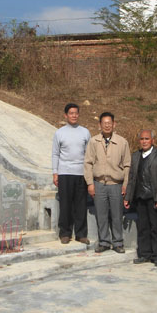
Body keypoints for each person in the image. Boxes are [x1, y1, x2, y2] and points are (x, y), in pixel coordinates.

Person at [84, 112, 131, 253]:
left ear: (114, 124)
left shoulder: (122, 142)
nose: (107, 125)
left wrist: (125, 185)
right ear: (99, 125)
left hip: (116, 184)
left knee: (117, 215)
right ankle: (104, 242)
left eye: (109, 123)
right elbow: (88, 163)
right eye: (104, 123)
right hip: (99, 184)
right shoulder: (94, 141)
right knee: (101, 215)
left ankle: (118, 243)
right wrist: (90, 183)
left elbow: (127, 165)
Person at [124, 130, 157, 266]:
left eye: (147, 139)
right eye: (142, 139)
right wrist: (128, 197)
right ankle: (144, 254)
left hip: (154, 198)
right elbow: (132, 178)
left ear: (152, 140)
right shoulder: (135, 156)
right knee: (143, 227)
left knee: (156, 227)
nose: (144, 141)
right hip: (140, 197)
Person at [52, 103, 91, 245]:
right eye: (71, 113)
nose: (74, 115)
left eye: (76, 113)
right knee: (65, 204)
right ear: (66, 115)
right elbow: (55, 154)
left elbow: (89, 154)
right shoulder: (59, 133)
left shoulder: (85, 132)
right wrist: (55, 172)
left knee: (81, 205)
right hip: (64, 173)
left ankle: (81, 234)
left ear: (78, 114)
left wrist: (89, 173)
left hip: (81, 174)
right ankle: (65, 233)